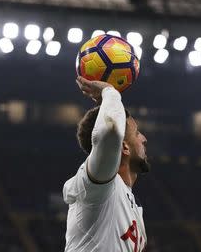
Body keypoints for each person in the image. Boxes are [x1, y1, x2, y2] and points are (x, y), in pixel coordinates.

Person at [63, 76, 150, 252]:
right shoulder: (101, 186)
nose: (144, 139)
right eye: (137, 133)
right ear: (124, 147)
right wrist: (110, 92)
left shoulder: (132, 204)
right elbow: (109, 133)